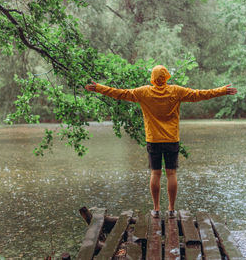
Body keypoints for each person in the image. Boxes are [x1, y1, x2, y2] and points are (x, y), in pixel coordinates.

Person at [85, 65, 237, 218]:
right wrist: (222, 90)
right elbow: (200, 95)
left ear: (153, 77)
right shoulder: (176, 91)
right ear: (166, 77)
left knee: (155, 173)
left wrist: (98, 88)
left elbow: (119, 93)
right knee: (171, 173)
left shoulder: (143, 92)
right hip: (171, 140)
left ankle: (156, 209)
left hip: (153, 140)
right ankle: (171, 210)